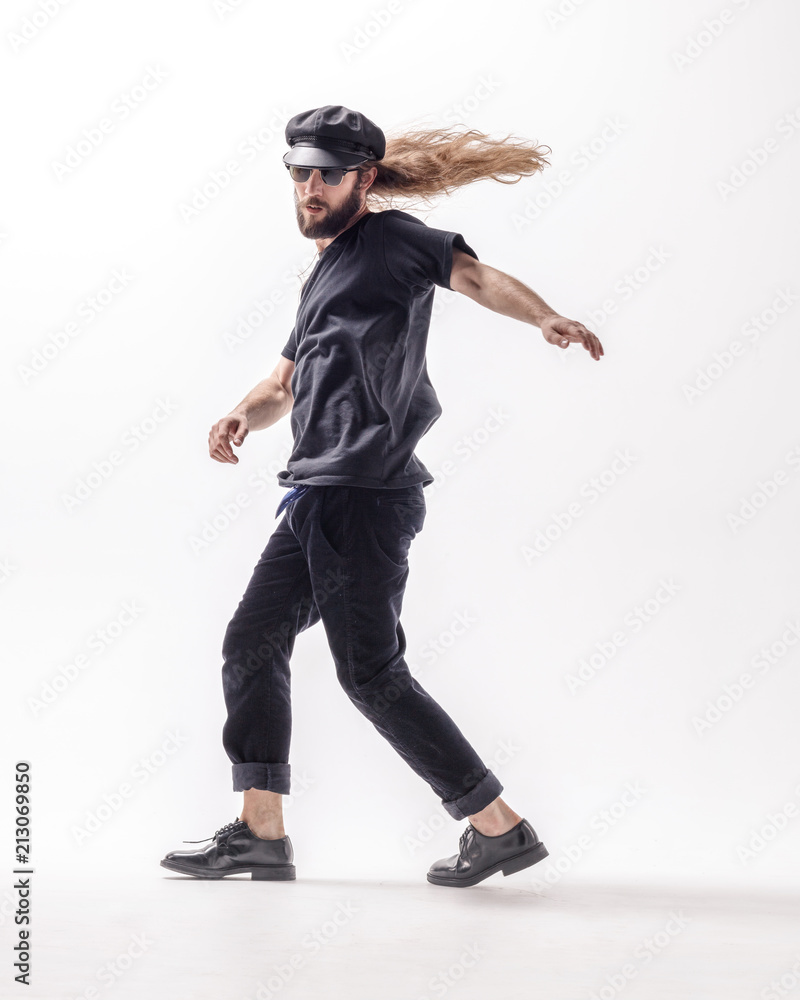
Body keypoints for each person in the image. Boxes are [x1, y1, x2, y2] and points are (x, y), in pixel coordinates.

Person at [160, 104, 603, 887]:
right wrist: (240, 414)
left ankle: (497, 826)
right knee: (251, 643)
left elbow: (473, 275)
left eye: (327, 173)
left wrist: (545, 316)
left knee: (371, 673)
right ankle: (260, 833)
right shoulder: (325, 271)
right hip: (313, 497)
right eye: (299, 173)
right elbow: (282, 386)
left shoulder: (394, 241)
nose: (309, 187)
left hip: (363, 496)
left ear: (364, 177)